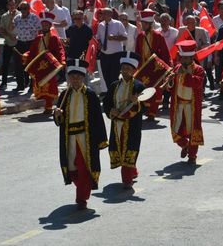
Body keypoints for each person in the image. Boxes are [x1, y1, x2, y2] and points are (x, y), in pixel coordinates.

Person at [54, 59, 108, 210]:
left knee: (84, 168)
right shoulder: (65, 95)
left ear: (83, 78)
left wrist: (101, 139)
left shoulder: (90, 95)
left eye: (78, 77)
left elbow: (98, 118)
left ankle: (82, 197)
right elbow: (59, 120)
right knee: (73, 169)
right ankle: (82, 188)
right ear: (69, 78)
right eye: (72, 77)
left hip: (85, 138)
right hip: (70, 138)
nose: (75, 80)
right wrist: (57, 114)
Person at [103, 51, 145, 189]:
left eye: (129, 69)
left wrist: (137, 102)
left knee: (129, 150)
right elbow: (106, 103)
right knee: (119, 150)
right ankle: (132, 171)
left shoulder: (139, 86)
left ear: (134, 70)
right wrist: (111, 111)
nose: (125, 71)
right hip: (117, 124)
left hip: (131, 125)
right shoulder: (114, 85)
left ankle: (126, 181)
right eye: (123, 68)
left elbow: (144, 106)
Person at [167, 41, 206, 164]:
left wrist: (182, 76)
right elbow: (170, 88)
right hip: (178, 104)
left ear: (192, 57)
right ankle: (185, 144)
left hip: (191, 105)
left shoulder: (199, 69)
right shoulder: (177, 68)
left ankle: (192, 156)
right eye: (182, 57)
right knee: (175, 128)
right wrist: (170, 81)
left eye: (186, 58)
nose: (183, 60)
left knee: (193, 129)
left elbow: (197, 83)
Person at [135, 10, 171, 122]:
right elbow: (137, 52)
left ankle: (152, 112)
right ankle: (143, 109)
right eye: (142, 23)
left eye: (144, 23)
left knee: (155, 90)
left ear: (150, 24)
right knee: (141, 89)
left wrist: (167, 68)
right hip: (142, 68)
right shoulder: (140, 36)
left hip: (155, 68)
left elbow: (165, 53)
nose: (142, 25)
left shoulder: (158, 36)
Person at [28, 12, 67, 114]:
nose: (44, 26)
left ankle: (49, 106)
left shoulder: (54, 38)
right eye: (43, 24)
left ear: (50, 26)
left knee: (50, 84)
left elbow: (60, 50)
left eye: (46, 25)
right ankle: (44, 101)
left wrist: (62, 60)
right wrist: (26, 55)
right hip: (39, 65)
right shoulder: (38, 38)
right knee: (40, 83)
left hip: (49, 66)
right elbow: (32, 51)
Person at [96, 8, 128, 90]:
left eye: (104, 13)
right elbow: (98, 38)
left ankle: (115, 94)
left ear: (110, 15)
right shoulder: (100, 25)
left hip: (115, 55)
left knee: (113, 77)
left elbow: (125, 37)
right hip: (104, 55)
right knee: (106, 77)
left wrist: (114, 37)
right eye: (102, 13)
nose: (102, 15)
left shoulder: (118, 24)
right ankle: (110, 94)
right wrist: (99, 43)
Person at [13, 2, 41, 92]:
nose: (23, 10)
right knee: (18, 65)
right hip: (20, 43)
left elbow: (40, 31)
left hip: (31, 43)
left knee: (32, 65)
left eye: (25, 8)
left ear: (29, 8)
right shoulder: (17, 18)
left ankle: (32, 86)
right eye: (21, 9)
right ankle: (20, 85)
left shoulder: (35, 18)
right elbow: (12, 29)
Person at [0, 0, 21, 91]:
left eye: (13, 5)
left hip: (18, 43)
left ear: (16, 5)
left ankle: (20, 84)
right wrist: (8, 36)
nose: (12, 6)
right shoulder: (4, 16)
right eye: (10, 5)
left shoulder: (20, 15)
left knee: (18, 64)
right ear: (7, 6)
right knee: (5, 64)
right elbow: (2, 29)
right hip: (8, 42)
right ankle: (4, 83)